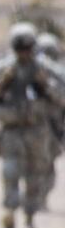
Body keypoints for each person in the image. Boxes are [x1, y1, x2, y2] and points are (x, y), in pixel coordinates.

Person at [0, 23, 65, 228]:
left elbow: (61, 97)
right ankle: (10, 210)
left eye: (28, 48)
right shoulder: (3, 68)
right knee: (10, 170)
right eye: (20, 49)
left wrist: (45, 84)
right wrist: (2, 84)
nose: (24, 53)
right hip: (12, 127)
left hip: (37, 129)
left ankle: (29, 215)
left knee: (35, 173)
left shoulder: (45, 68)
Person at [36, 32, 64, 210]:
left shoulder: (56, 73)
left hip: (50, 126)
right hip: (37, 124)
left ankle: (40, 197)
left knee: (46, 162)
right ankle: (37, 197)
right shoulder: (28, 69)